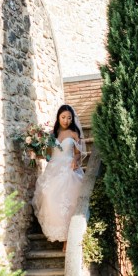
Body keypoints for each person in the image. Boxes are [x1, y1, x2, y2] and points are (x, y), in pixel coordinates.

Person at [32, 104, 86, 251]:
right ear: (58, 117)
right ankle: (58, 232)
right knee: (48, 196)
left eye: (69, 118)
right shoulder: (52, 134)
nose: (66, 120)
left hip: (68, 169)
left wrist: (75, 159)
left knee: (67, 201)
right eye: (63, 117)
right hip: (53, 169)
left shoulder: (74, 133)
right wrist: (34, 149)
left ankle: (67, 240)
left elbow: (78, 153)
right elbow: (48, 155)